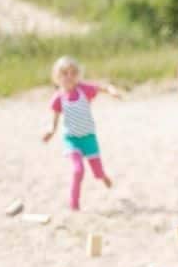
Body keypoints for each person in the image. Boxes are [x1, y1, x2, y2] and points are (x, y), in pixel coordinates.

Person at [42, 56, 120, 211]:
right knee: (78, 170)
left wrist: (112, 91)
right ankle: (74, 204)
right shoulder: (58, 98)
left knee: (97, 172)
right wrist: (50, 131)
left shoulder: (84, 89)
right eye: (64, 74)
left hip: (89, 139)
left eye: (73, 73)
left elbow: (101, 88)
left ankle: (102, 176)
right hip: (72, 140)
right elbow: (54, 121)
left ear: (78, 75)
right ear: (57, 78)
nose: (69, 77)